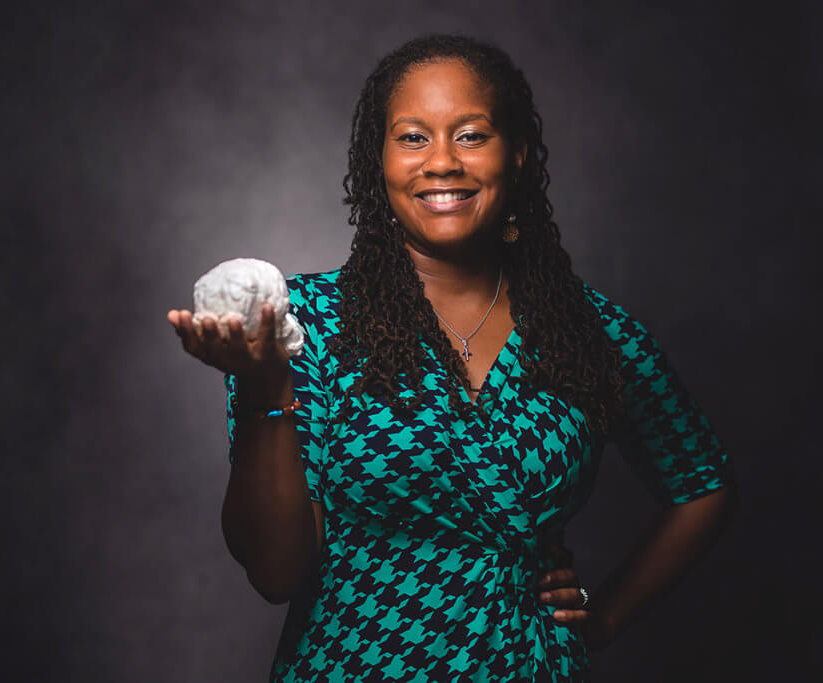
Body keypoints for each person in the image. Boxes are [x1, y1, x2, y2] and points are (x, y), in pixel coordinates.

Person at [168, 34, 736, 682]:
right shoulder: (306, 322)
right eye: (413, 137)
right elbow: (275, 572)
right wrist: (263, 384)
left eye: (470, 135)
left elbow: (703, 485)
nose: (442, 161)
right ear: (378, 160)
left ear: (517, 154)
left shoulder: (590, 330)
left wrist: (603, 616)